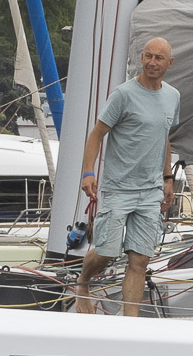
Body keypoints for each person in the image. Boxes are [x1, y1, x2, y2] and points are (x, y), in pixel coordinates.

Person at [76, 36, 181, 314]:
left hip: (150, 191)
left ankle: (129, 322)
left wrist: (167, 179)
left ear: (169, 63)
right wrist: (88, 172)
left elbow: (164, 137)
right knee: (106, 253)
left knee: (139, 260)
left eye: (158, 58)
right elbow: (97, 134)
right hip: (119, 187)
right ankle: (83, 282)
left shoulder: (173, 96)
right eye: (148, 56)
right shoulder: (123, 94)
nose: (152, 62)